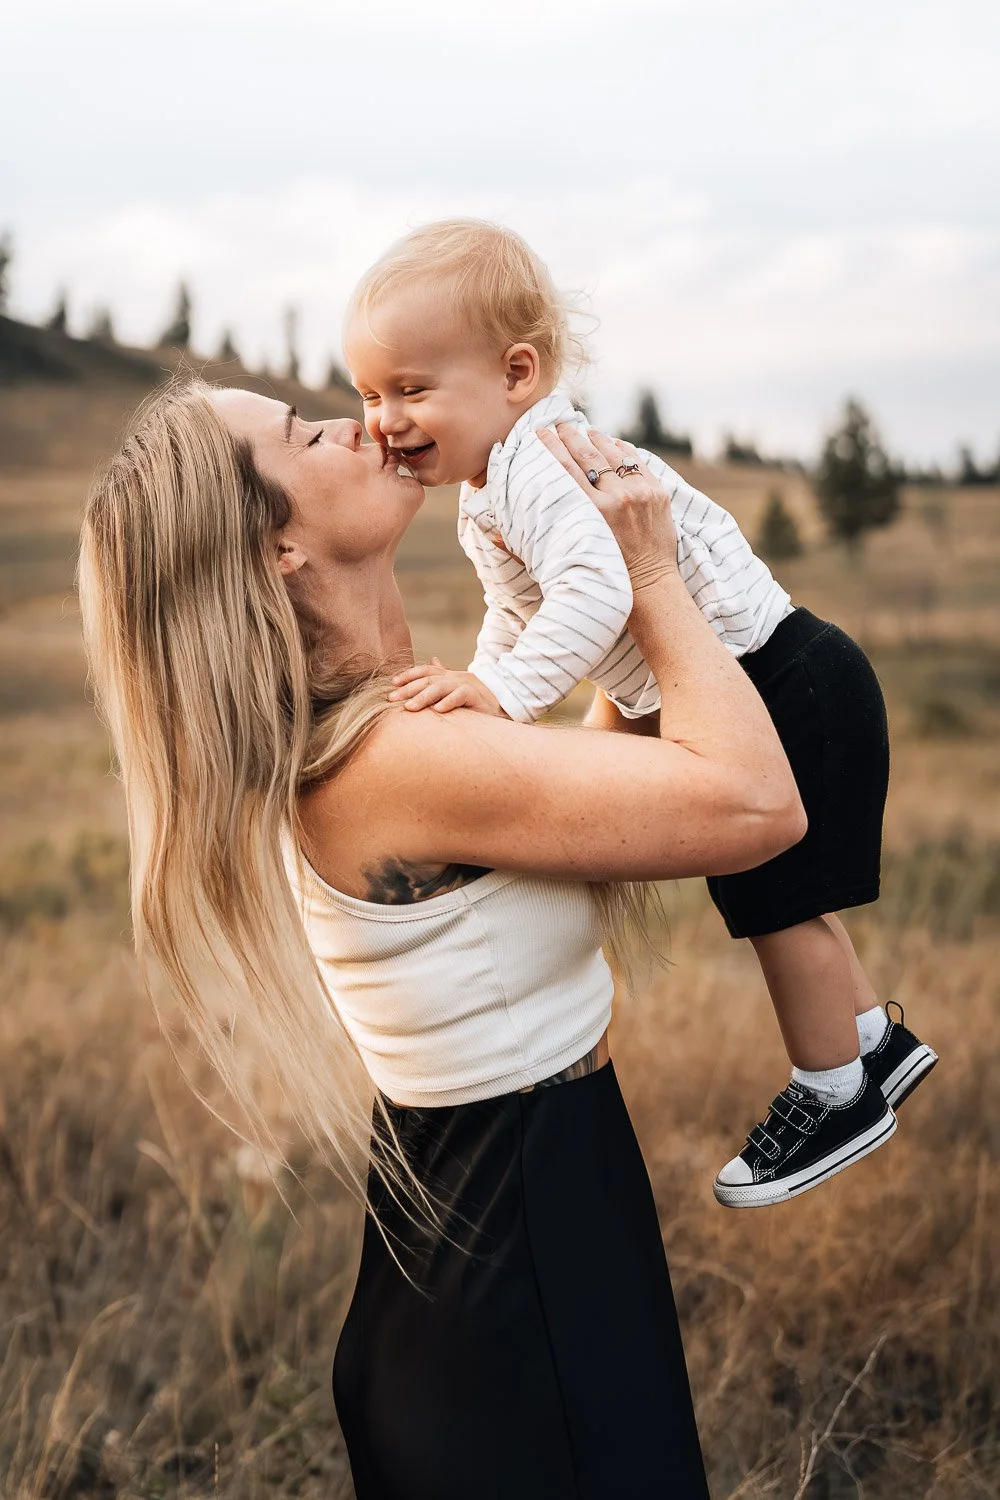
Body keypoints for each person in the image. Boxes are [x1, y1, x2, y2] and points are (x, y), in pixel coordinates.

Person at [78, 377, 804, 1499]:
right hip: (522, 1261)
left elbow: (591, 810)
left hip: (498, 1234)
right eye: (296, 435)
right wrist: (651, 573)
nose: (348, 422)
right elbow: (758, 808)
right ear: (274, 547)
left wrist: (573, 581)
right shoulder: (390, 765)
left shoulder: (380, 732)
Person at [342, 217, 938, 1210]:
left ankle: (834, 1090)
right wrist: (493, 707)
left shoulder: (538, 466)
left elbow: (594, 598)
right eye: (367, 393)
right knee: (785, 900)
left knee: (773, 903)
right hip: (766, 678)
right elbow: (518, 610)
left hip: (780, 678)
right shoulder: (488, 483)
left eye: (410, 389)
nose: (382, 419)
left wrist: (504, 695)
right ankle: (874, 1043)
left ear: (517, 374)